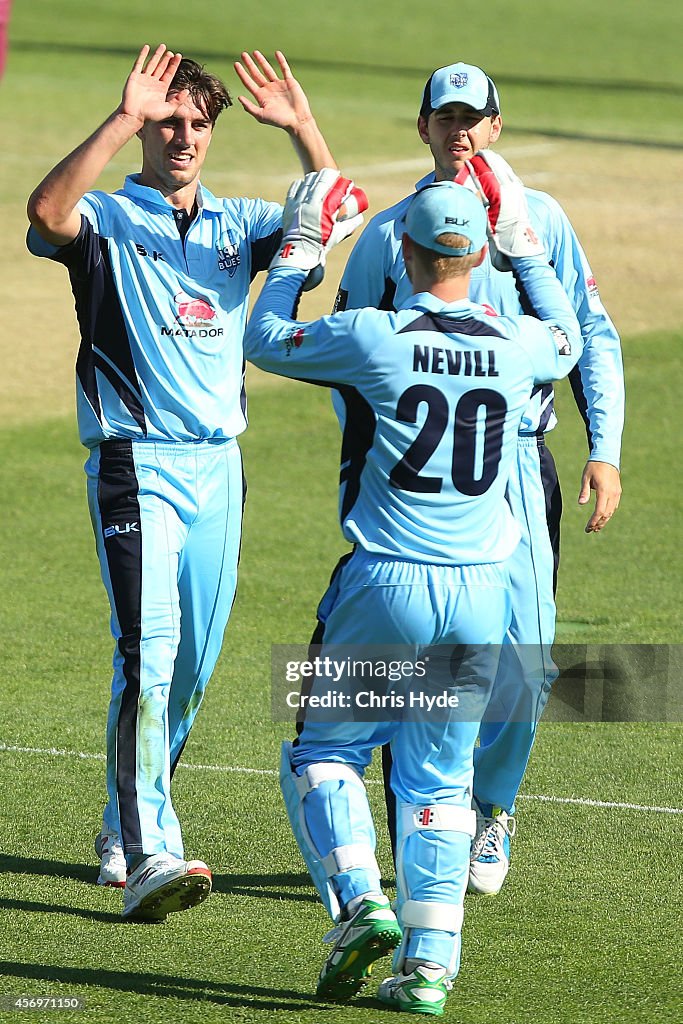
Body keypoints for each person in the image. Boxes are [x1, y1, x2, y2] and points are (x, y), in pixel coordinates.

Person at [243, 165, 584, 1013]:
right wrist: (528, 249)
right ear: (478, 254)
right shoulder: (515, 344)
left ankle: (360, 900)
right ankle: (429, 970)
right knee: (438, 782)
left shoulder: (372, 335)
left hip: (383, 584)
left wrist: (300, 244)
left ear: (405, 247)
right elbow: (568, 338)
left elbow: (263, 337)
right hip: (477, 591)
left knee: (327, 752)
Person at [26, 44, 347, 921]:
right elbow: (44, 211)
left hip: (219, 469)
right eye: (169, 121)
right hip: (136, 464)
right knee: (150, 655)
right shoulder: (103, 219)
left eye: (198, 124)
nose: (184, 137)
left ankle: (121, 822)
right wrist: (121, 116)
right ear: (144, 128)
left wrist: (303, 129)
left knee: (194, 666)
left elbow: (335, 210)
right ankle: (148, 852)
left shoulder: (241, 226)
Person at [330, 62, 625, 894]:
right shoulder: (388, 234)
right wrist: (367, 474)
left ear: (495, 126)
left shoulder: (542, 224)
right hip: (413, 482)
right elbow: (348, 364)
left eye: (473, 117)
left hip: (519, 467)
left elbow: (589, 337)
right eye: (443, 116)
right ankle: (425, 828)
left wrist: (602, 447)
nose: (458, 131)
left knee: (523, 662)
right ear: (420, 126)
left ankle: (491, 811)